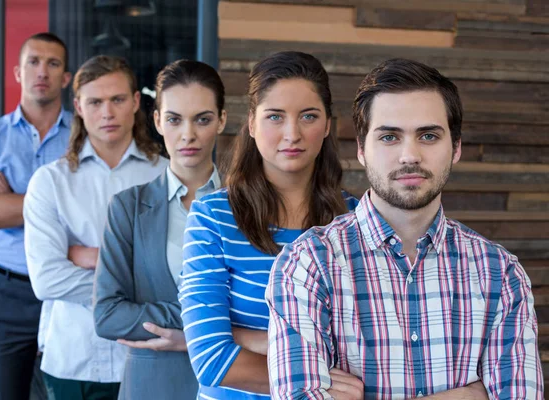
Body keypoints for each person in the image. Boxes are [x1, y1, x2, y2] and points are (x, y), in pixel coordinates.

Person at [266, 58, 544, 399]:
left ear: (455, 147)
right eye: (389, 137)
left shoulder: (500, 274)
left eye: (428, 135)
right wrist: (471, 395)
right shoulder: (307, 264)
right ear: (362, 149)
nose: (409, 155)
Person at [179, 51, 359, 400]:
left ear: (326, 126)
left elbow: (368, 349)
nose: (292, 133)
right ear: (251, 122)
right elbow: (211, 358)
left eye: (308, 116)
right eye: (275, 116)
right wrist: (315, 380)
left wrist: (247, 337)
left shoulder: (355, 221)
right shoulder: (212, 216)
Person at [23, 55, 168, 400]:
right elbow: (47, 279)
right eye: (95, 102)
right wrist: (135, 279)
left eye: (117, 99)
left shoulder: (167, 176)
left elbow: (177, 271)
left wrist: (88, 257)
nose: (107, 112)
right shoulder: (50, 182)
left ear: (135, 102)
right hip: (74, 357)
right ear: (78, 107)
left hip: (152, 354)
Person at [93, 59, 227, 400]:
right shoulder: (128, 207)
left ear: (222, 120)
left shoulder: (250, 205)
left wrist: (186, 336)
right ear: (156, 121)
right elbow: (108, 315)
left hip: (231, 385)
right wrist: (203, 315)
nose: (188, 135)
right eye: (174, 119)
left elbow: (263, 308)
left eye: (203, 119)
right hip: (151, 385)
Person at [0, 32, 72, 400]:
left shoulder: (82, 137)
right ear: (17, 72)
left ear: (66, 78)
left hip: (68, 290)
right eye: (33, 62)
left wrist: (12, 199)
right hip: (7, 292)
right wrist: (56, 204)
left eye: (53, 63)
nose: (42, 71)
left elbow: (90, 211)